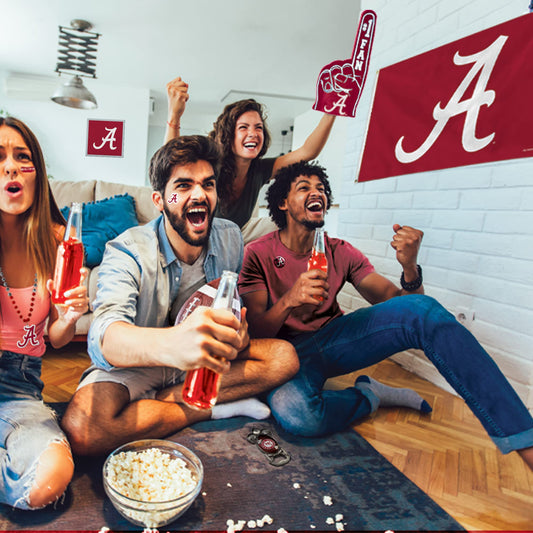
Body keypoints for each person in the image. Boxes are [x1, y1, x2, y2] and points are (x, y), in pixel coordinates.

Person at [238, 160, 533, 471]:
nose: (318, 193)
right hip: (287, 352)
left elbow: (407, 309)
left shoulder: (341, 251)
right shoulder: (258, 253)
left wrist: (409, 268)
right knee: (297, 414)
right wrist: (289, 300)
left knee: (423, 311)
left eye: (322, 189)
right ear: (283, 202)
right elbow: (257, 333)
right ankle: (369, 395)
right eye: (305, 187)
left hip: (336, 340)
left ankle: (524, 439)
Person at [61, 135, 298, 456]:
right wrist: (175, 345)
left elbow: (231, 312)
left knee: (284, 358)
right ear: (159, 200)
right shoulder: (127, 249)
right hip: (140, 363)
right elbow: (103, 336)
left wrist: (238, 337)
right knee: (82, 428)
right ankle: (209, 408)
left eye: (208, 184)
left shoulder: (230, 238)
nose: (199, 194)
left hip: (202, 362)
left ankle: (158, 406)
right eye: (184, 186)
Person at [0, 117, 89, 509]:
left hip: (20, 386)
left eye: (23, 157)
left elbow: (56, 338)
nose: (11, 167)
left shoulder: (59, 241)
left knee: (50, 479)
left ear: (37, 173)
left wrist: (69, 319)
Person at [164, 76, 336, 242]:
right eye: (243, 127)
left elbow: (308, 152)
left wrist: (332, 110)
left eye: (258, 128)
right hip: (197, 234)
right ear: (228, 134)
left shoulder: (260, 169)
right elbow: (172, 166)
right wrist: (174, 116)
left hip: (232, 235)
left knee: (282, 223)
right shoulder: (211, 163)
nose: (253, 134)